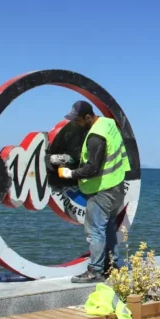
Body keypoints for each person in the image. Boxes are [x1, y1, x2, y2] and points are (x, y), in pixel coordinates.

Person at [54, 101, 131, 283]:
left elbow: (93, 168)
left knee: (95, 231)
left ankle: (95, 270)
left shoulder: (96, 136)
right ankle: (113, 266)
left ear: (88, 117)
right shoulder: (108, 124)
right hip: (117, 186)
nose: (75, 124)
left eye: (77, 120)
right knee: (109, 228)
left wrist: (70, 173)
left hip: (102, 190)